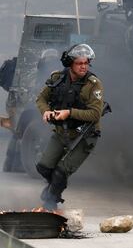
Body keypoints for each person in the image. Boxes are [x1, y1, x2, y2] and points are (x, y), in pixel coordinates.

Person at [35, 43, 104, 210]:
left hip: (85, 136)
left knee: (60, 173)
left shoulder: (93, 84)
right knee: (44, 167)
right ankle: (53, 189)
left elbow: (95, 114)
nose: (83, 66)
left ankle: (50, 206)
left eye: (86, 63)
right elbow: (41, 99)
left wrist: (69, 113)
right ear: (70, 64)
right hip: (61, 132)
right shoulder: (57, 78)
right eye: (79, 63)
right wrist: (46, 112)